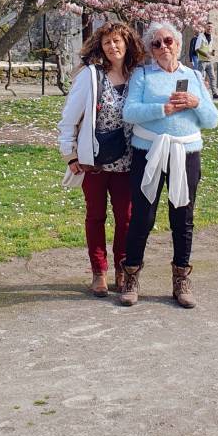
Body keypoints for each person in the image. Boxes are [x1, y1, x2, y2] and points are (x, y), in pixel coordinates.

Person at [119, 21, 218, 309]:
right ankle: (131, 275)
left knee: (183, 217)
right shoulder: (142, 76)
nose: (163, 47)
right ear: (150, 50)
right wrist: (163, 108)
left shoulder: (194, 76)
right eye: (156, 43)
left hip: (186, 153)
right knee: (143, 217)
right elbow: (130, 112)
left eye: (168, 41)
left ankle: (181, 277)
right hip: (149, 152)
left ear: (178, 43)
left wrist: (195, 102)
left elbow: (212, 120)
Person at [58, 22, 145, 296]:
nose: (113, 47)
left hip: (127, 161)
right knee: (96, 216)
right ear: (101, 46)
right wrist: (69, 154)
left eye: (118, 41)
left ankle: (121, 268)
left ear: (128, 43)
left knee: (126, 218)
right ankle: (99, 271)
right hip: (93, 161)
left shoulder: (137, 76)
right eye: (107, 42)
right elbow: (69, 117)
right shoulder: (91, 76)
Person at [193, 21, 218, 99]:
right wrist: (205, 54)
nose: (210, 28)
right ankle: (199, 94)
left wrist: (212, 52)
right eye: (208, 27)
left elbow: (209, 49)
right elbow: (197, 49)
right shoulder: (201, 36)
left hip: (209, 61)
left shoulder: (211, 37)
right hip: (202, 62)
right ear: (205, 28)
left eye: (211, 27)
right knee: (200, 78)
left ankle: (214, 94)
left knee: (212, 77)